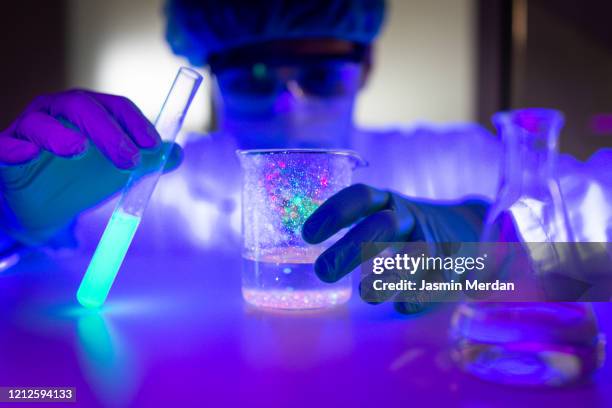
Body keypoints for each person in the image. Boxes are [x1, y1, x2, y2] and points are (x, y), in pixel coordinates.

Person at [0, 0, 609, 312]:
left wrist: (486, 253)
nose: (290, 106)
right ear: (213, 74)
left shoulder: (454, 159)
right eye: (257, 77)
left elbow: (597, 254)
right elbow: (23, 268)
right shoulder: (146, 183)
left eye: (318, 75)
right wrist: (12, 219)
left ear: (365, 65)